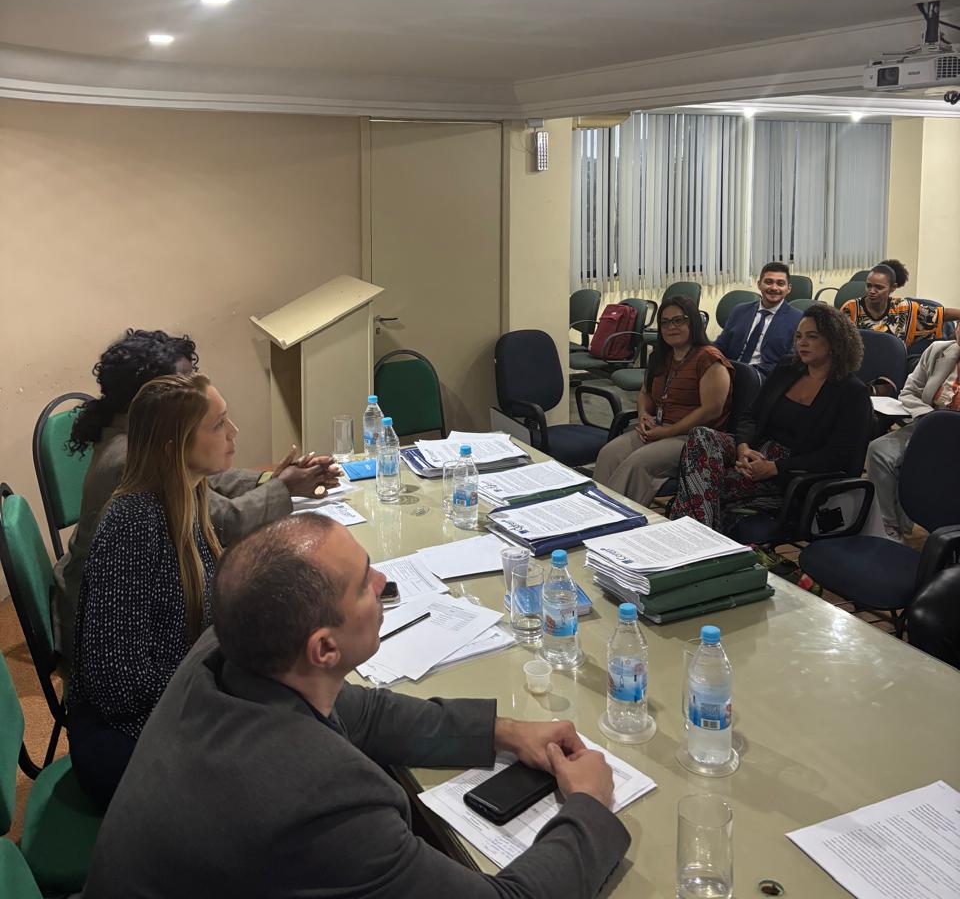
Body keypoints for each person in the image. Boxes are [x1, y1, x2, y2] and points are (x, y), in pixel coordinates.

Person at [81, 515, 631, 899]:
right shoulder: (324, 799)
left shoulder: (227, 650)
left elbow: (364, 713)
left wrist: (504, 731)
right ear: (324, 649)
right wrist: (588, 807)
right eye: (364, 583)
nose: (383, 581)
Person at [53, 328, 338, 659]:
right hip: (113, 632)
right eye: (184, 382)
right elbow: (224, 521)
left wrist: (270, 480)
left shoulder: (147, 439)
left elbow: (208, 481)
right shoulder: (133, 462)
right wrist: (284, 487)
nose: (196, 389)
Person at [68, 373, 233, 808]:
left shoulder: (188, 502)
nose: (233, 433)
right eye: (218, 425)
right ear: (174, 447)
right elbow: (118, 686)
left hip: (170, 705)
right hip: (120, 741)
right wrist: (218, 684)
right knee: (276, 757)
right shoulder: (133, 524)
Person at [667, 304, 871, 535]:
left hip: (792, 472)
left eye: (812, 337)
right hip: (756, 452)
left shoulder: (852, 392)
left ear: (835, 342)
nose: (802, 343)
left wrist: (774, 468)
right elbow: (751, 415)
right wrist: (743, 448)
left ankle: (693, 538)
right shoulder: (787, 368)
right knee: (700, 435)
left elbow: (839, 456)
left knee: (698, 480)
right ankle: (700, 537)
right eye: (798, 336)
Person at [593, 295, 733, 505]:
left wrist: (668, 432)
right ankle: (594, 511)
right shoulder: (661, 356)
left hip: (693, 438)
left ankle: (619, 517)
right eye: (665, 322)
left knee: (638, 462)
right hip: (660, 429)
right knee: (609, 454)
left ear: (693, 322)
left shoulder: (710, 359)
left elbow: (711, 410)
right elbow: (645, 393)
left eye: (678, 320)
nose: (671, 327)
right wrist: (643, 415)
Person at [865, 322, 960, 542]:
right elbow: (908, 392)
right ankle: (888, 526)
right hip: (927, 424)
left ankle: (917, 527)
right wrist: (931, 420)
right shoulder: (938, 350)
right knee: (878, 451)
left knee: (922, 466)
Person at [714, 262, 803, 380]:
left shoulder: (798, 319)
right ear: (759, 284)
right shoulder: (740, 310)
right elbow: (721, 345)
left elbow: (791, 361)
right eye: (768, 282)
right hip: (730, 370)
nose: (774, 288)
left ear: (788, 288)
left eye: (780, 284)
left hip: (766, 377)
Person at [840, 264, 960, 350]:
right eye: (869, 286)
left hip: (893, 365)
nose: (872, 291)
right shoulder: (851, 308)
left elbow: (941, 314)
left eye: (879, 287)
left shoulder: (902, 308)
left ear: (893, 288)